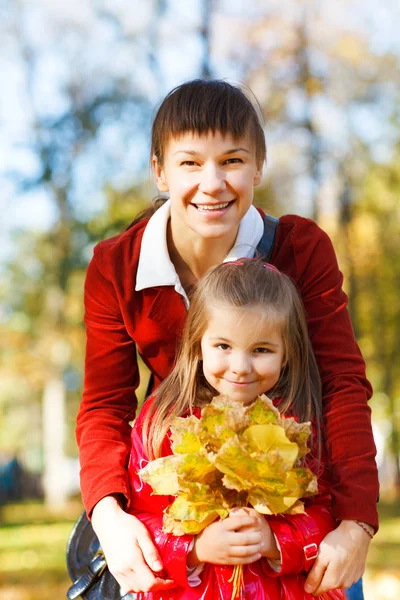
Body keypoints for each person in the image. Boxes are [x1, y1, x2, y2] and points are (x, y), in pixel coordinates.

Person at [76, 79, 378, 597]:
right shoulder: (116, 265)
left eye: (232, 161)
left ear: (258, 166)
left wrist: (356, 523)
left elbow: (342, 384)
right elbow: (104, 406)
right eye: (190, 163)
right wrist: (109, 515)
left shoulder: (301, 248)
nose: (212, 184)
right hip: (178, 497)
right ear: (160, 171)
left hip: (294, 494)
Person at [128, 258, 347, 599]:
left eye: (261, 350)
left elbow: (328, 511)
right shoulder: (165, 424)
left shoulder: (301, 426)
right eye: (223, 346)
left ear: (287, 353)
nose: (240, 367)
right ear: (198, 343)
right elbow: (142, 515)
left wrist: (276, 541)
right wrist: (194, 548)